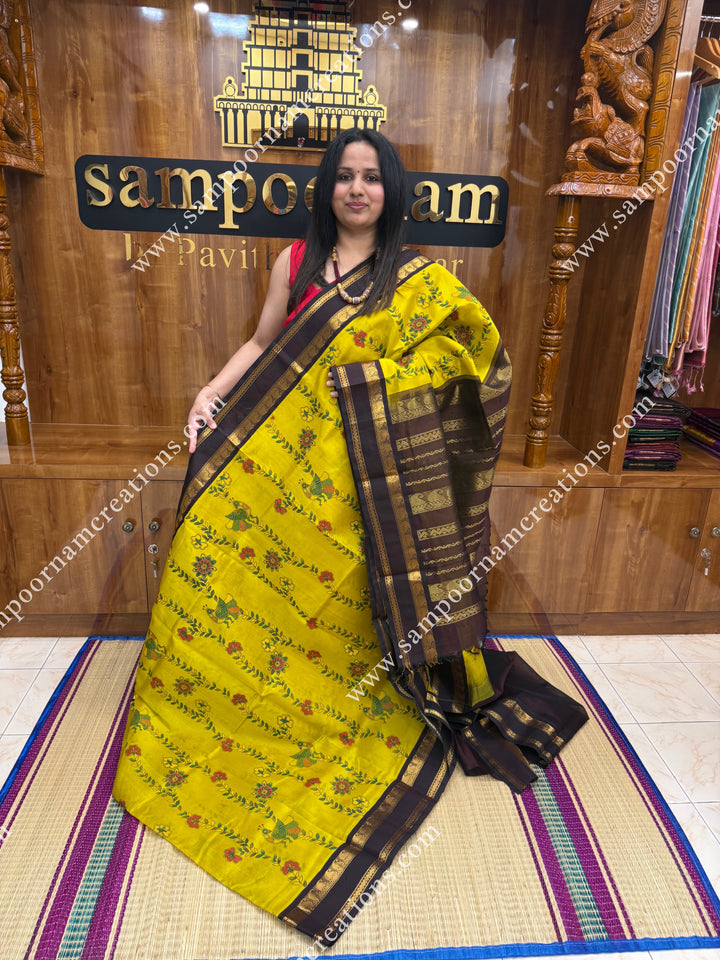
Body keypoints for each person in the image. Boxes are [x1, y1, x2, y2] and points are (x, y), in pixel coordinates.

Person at [113, 128, 587, 947]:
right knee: (206, 546)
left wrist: (374, 386)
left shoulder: (418, 279)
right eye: (345, 177)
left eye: (371, 177)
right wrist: (207, 394)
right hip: (281, 463)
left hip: (365, 482)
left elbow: (478, 363)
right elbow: (263, 345)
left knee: (337, 599)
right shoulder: (294, 267)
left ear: (390, 190)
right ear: (327, 189)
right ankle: (224, 689)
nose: (357, 189)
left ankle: (343, 697)